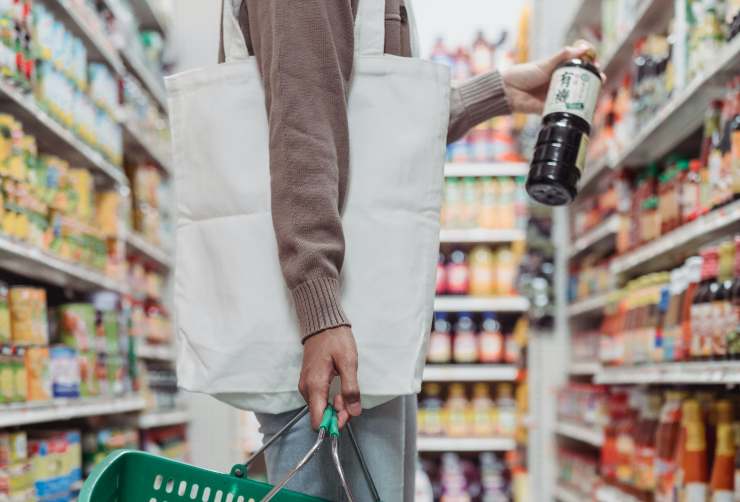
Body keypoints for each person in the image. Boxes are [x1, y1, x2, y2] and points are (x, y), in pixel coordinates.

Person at [216, 0, 598, 499]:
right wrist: (319, 310)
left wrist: (499, 91)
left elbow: (373, 128)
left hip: (349, 325)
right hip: (330, 335)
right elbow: (301, 126)